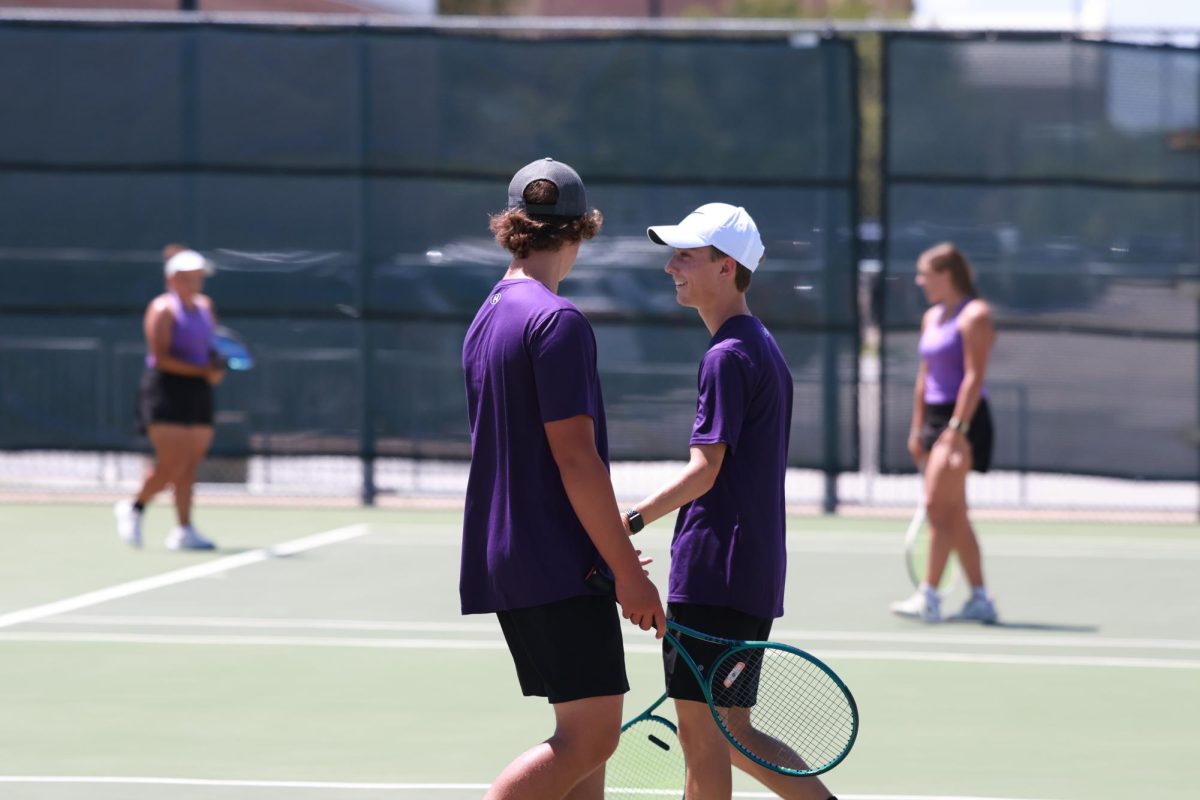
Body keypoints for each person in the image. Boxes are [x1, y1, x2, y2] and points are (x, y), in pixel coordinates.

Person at [460, 157, 665, 800]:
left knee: (584, 752)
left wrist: (610, 555)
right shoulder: (557, 320)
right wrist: (627, 572)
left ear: (511, 229)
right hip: (555, 560)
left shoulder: (487, 316)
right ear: (581, 230)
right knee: (593, 737)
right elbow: (576, 461)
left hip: (517, 556)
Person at [624, 203, 837, 800]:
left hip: (717, 573)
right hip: (744, 571)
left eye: (686, 256)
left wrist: (630, 521)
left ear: (726, 267)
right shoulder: (760, 344)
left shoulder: (728, 356)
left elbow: (705, 471)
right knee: (726, 731)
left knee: (705, 735)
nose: (671, 267)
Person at [890, 242, 999, 624]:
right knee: (955, 513)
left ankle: (930, 597)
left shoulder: (976, 315)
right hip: (935, 418)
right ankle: (982, 599)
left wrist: (956, 429)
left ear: (947, 274)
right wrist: (918, 426)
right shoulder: (931, 317)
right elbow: (925, 377)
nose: (919, 281)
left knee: (938, 508)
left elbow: (975, 376)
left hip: (964, 419)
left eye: (925, 274)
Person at [113, 245, 223, 551]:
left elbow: (211, 348)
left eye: (200, 276)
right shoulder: (162, 309)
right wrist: (202, 369)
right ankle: (134, 507)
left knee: (190, 464)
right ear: (173, 279)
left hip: (198, 390)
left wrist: (215, 369)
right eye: (190, 276)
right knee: (172, 464)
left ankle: (184, 530)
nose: (197, 282)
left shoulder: (206, 306)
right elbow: (160, 357)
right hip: (165, 390)